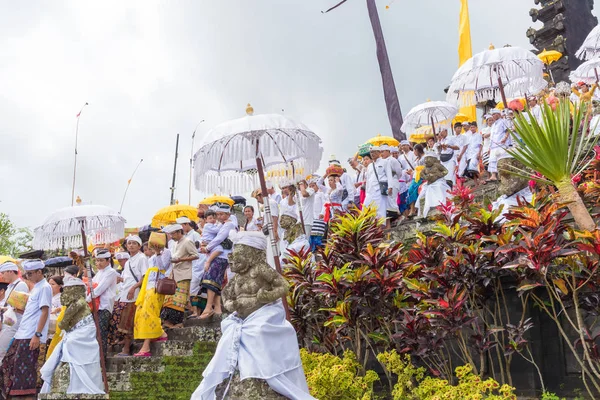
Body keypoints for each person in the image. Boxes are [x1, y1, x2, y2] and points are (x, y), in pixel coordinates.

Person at [40, 274, 105, 395]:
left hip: (82, 335)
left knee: (71, 347)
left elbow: (63, 323)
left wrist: (63, 325)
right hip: (77, 332)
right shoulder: (78, 302)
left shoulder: (78, 303)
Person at [0, 260, 52, 399]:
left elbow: (45, 312)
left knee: (25, 369)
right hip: (22, 332)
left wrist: (37, 334)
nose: (27, 276)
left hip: (31, 334)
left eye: (30, 273)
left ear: (39, 272)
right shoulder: (36, 287)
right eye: (26, 273)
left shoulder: (45, 287)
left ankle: (25, 396)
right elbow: (32, 311)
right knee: (9, 363)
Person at [109, 235, 148, 357]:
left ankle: (126, 349)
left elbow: (145, 277)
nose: (131, 245)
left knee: (128, 321)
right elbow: (127, 278)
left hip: (134, 294)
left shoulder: (142, 258)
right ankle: (125, 346)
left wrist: (133, 288)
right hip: (125, 294)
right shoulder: (128, 261)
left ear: (139, 246)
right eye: (129, 243)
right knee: (123, 321)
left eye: (134, 243)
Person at [133, 239, 170, 357]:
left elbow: (163, 266)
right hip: (148, 287)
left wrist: (159, 253)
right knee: (142, 312)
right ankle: (160, 333)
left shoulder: (166, 252)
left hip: (157, 287)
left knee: (149, 313)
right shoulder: (150, 258)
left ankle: (146, 346)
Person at [200, 205, 236, 320]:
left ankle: (208, 307)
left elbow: (219, 238)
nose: (219, 217)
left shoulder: (228, 224)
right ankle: (217, 309)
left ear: (228, 215)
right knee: (215, 280)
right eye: (218, 214)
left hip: (222, 255)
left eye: (221, 214)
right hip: (220, 254)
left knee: (211, 279)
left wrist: (207, 247)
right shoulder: (222, 225)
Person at [161, 224, 198, 327]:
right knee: (170, 298)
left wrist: (180, 260)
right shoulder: (176, 243)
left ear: (178, 232)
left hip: (184, 273)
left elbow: (196, 255)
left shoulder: (187, 241)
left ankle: (176, 322)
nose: (171, 236)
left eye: (173, 234)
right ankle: (169, 321)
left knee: (178, 300)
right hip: (175, 274)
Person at [190, 210, 222, 318]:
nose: (212, 220)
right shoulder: (209, 226)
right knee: (207, 283)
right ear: (205, 220)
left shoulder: (206, 229)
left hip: (212, 255)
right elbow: (219, 231)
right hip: (206, 256)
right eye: (210, 218)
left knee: (213, 283)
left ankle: (212, 308)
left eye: (214, 218)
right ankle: (206, 309)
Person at [87, 249, 118, 357]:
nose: (98, 263)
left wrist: (86, 300)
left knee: (100, 333)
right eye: (96, 261)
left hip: (104, 306)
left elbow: (99, 289)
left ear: (108, 261)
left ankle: (101, 359)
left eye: (101, 261)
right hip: (95, 306)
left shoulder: (111, 272)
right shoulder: (99, 273)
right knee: (93, 333)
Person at [0, 261, 29, 363]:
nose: (2, 276)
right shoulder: (10, 286)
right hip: (7, 321)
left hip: (13, 323)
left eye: (3, 273)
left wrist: (4, 309)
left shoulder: (21, 285)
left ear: (10, 271)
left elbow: (20, 307)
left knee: (2, 351)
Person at [252, 188, 280, 269]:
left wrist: (275, 231)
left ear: (261, 196)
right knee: (269, 255)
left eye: (257, 198)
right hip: (268, 232)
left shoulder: (271, 202)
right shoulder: (268, 203)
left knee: (272, 255)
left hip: (271, 232)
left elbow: (274, 217)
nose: (258, 201)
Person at [487, 109, 512, 183]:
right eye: (492, 114)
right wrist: (489, 148)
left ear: (498, 114)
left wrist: (505, 138)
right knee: (492, 160)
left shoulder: (503, 121)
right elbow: (492, 136)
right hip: (493, 145)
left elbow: (507, 130)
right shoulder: (494, 124)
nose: (493, 116)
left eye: (495, 114)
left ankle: (501, 176)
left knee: (500, 159)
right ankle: (493, 175)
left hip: (501, 143)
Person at [406, 144, 426, 218]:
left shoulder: (425, 157)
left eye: (414, 150)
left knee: (415, 191)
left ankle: (415, 209)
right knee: (410, 191)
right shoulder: (417, 159)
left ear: (417, 150)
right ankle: (412, 209)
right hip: (415, 177)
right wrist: (412, 172)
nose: (413, 152)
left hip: (421, 177)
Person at [462, 121, 483, 186]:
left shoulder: (478, 135)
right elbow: (466, 146)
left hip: (475, 153)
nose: (472, 129)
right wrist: (465, 156)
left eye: (473, 127)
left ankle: (481, 180)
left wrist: (479, 153)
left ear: (476, 128)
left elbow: (481, 144)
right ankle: (476, 183)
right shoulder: (469, 136)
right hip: (469, 155)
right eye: (471, 127)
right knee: (472, 170)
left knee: (473, 167)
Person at [47, 276, 63, 346]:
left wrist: (57, 309)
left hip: (56, 328)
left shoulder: (61, 297)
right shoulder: (47, 296)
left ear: (60, 286)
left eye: (53, 284)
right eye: (49, 284)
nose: (50, 286)